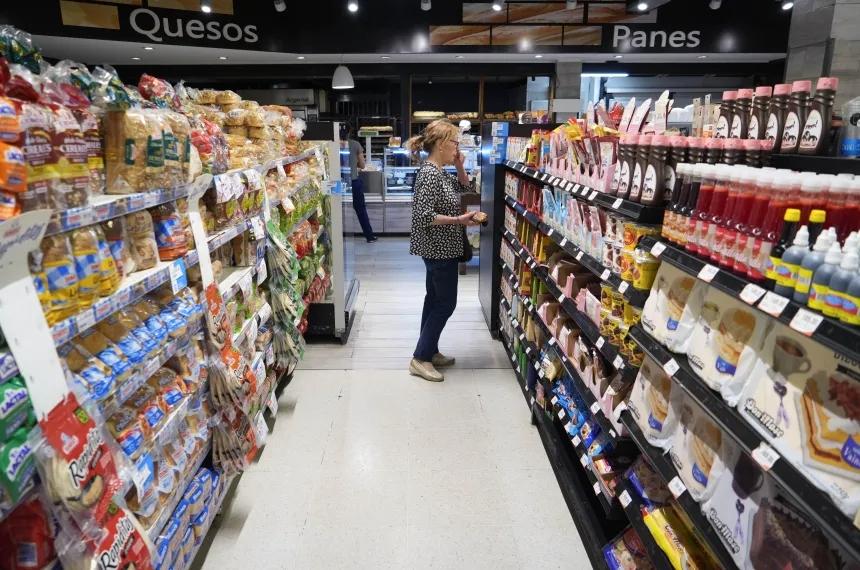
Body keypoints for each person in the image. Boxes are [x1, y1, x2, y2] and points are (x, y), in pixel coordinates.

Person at [406, 119, 480, 382]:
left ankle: (430, 350)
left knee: (434, 300)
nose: (457, 148)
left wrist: (460, 164)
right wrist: (459, 221)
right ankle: (420, 358)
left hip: (444, 246)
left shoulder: (440, 172)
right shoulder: (428, 174)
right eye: (455, 143)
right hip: (438, 249)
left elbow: (467, 189)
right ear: (440, 144)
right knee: (446, 303)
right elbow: (424, 216)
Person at [345, 125, 377, 242]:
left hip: (338, 184)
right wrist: (355, 166)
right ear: (349, 132)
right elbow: (363, 165)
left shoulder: (332, 145)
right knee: (360, 209)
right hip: (353, 181)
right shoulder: (355, 144)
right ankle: (369, 236)